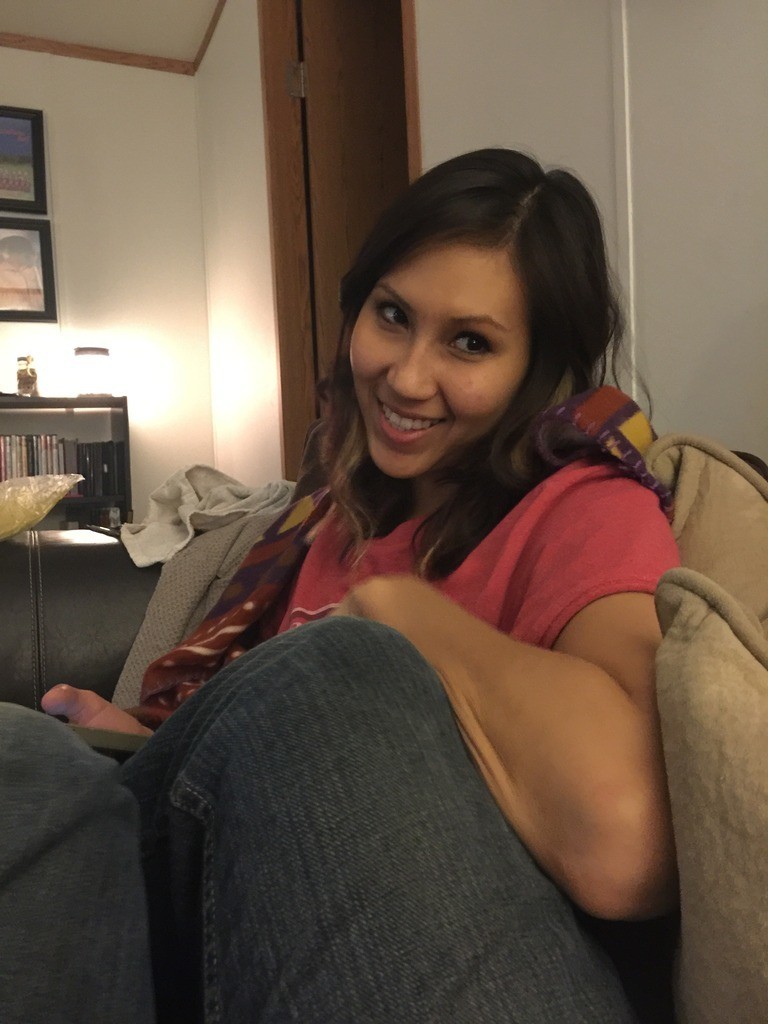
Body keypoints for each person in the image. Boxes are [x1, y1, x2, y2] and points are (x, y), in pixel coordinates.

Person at [4, 148, 680, 1023]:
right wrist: (141, 738)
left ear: (536, 368)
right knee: (30, 760)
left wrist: (403, 614)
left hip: (399, 931)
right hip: (206, 890)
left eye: (470, 342)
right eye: (392, 315)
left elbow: (626, 843)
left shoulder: (584, 506)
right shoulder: (322, 514)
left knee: (344, 667)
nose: (406, 376)